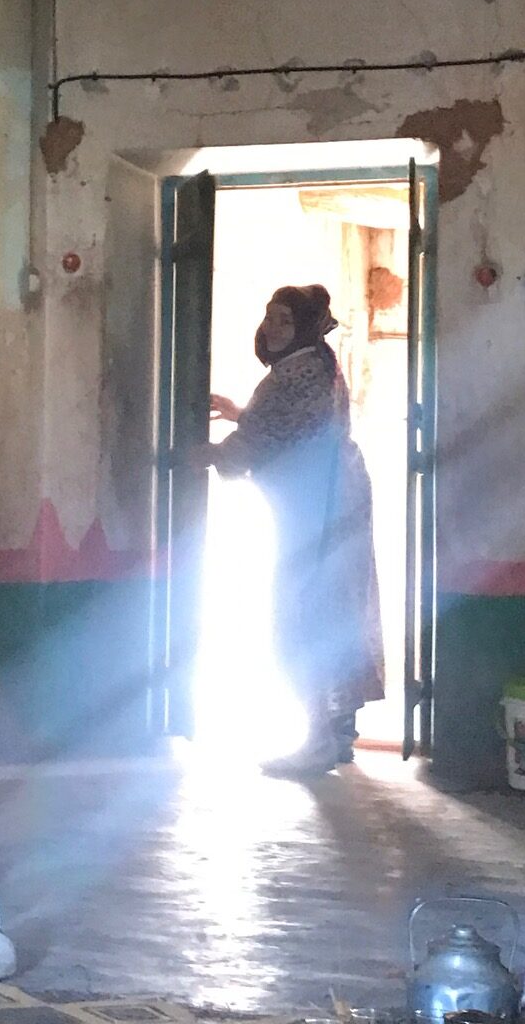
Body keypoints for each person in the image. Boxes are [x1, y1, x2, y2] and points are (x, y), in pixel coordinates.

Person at [192, 283, 384, 777]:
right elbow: (287, 428)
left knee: (302, 618)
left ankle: (318, 740)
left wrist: (206, 454)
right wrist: (242, 416)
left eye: (285, 320)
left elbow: (267, 438)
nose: (273, 328)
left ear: (303, 327)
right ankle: (336, 736)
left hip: (317, 507)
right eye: (270, 317)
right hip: (331, 499)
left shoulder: (297, 374)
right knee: (333, 611)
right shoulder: (317, 364)